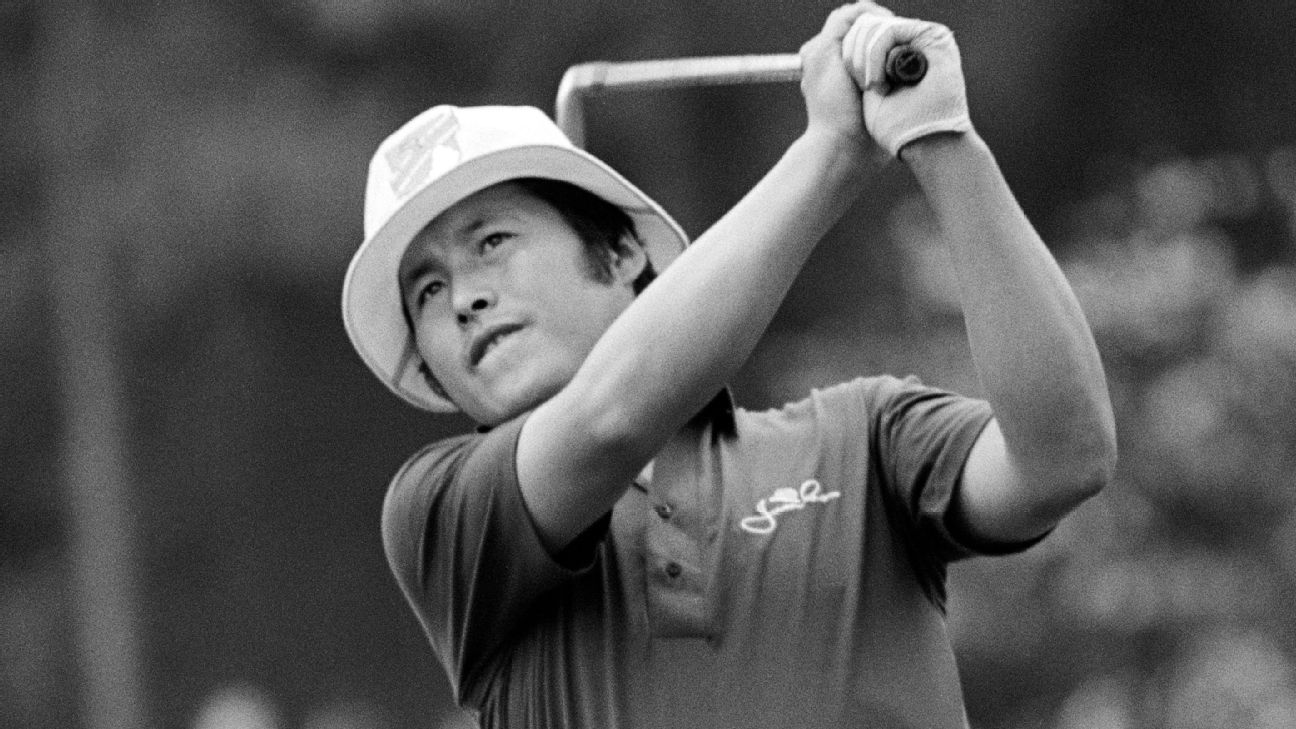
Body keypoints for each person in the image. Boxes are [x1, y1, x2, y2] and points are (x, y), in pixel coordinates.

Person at [340, 3, 1117, 727]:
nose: (464, 298)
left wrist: (942, 137)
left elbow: (1064, 460)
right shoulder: (444, 513)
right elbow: (611, 418)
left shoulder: (867, 437)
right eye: (428, 289)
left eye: (492, 241)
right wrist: (833, 151)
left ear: (621, 252)